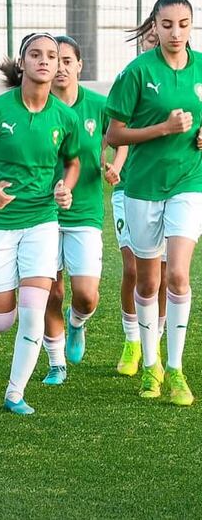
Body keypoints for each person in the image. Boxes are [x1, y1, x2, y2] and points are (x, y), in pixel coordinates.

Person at [0, 32, 80, 416]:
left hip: (42, 221)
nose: (45, 61)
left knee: (35, 308)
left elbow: (73, 161)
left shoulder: (65, 117)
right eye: (36, 54)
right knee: (4, 314)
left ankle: (15, 392)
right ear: (23, 62)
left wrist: (65, 187)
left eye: (52, 56)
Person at [106, 0, 202, 407]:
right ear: (154, 27)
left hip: (188, 184)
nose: (176, 32)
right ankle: (151, 363)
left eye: (183, 24)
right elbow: (114, 135)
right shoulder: (136, 72)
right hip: (142, 188)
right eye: (167, 25)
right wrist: (163, 129)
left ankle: (176, 369)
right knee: (149, 280)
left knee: (178, 275)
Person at [40, 35, 112, 385]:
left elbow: (120, 135)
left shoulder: (99, 105)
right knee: (51, 290)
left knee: (85, 295)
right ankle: (56, 364)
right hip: (42, 214)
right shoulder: (37, 108)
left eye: (68, 61)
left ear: (80, 66)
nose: (62, 68)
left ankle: (77, 323)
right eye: (57, 61)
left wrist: (114, 163)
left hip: (85, 211)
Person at [111, 24, 163, 376]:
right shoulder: (131, 78)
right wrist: (114, 164)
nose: (158, 43)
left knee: (165, 276)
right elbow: (116, 132)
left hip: (173, 190)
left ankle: (154, 347)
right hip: (130, 189)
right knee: (134, 269)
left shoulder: (187, 78)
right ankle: (133, 341)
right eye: (152, 37)